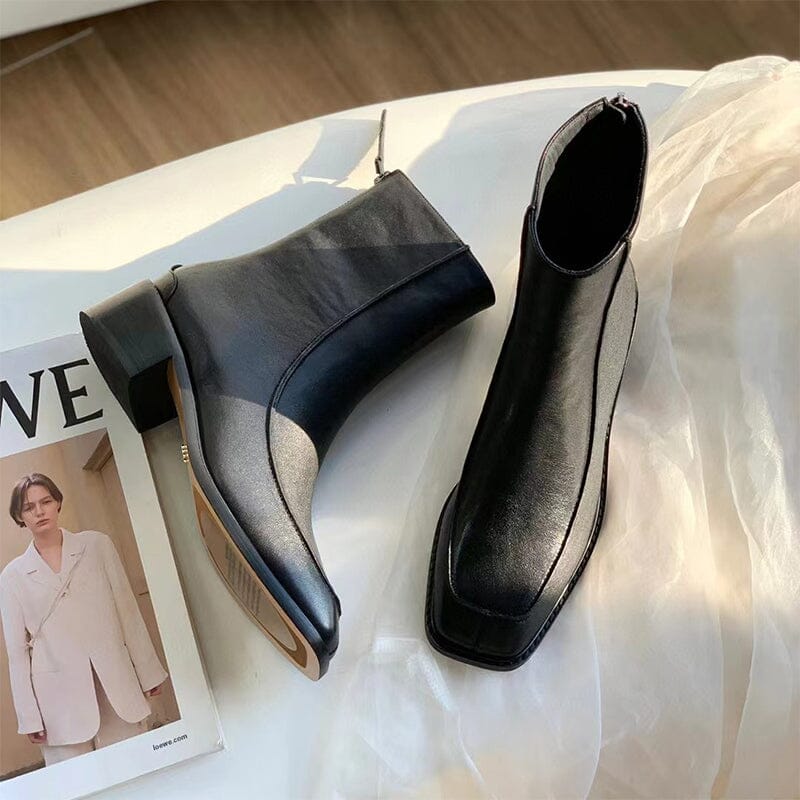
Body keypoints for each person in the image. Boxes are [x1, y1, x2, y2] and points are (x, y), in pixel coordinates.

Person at [0, 473, 168, 766]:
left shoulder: (96, 545)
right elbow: (16, 653)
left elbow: (127, 611)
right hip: (58, 701)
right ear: (19, 516)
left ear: (58, 503)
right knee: (76, 779)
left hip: (114, 683)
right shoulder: (12, 576)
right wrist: (29, 716)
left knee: (135, 766)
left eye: (45, 502)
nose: (39, 511)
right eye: (29, 507)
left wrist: (148, 672)